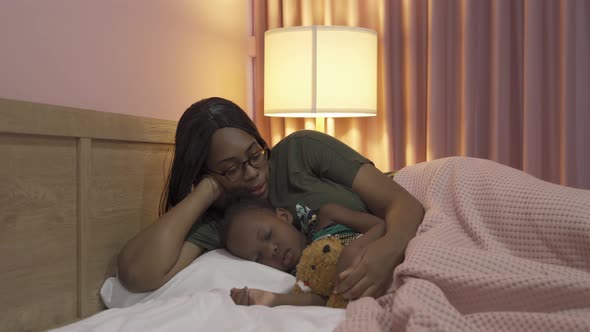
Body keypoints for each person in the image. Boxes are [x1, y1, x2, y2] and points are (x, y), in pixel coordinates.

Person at [116, 97, 425, 301]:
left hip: (404, 236)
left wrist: (388, 249)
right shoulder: (223, 222)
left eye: (255, 155)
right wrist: (207, 190)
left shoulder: (301, 150)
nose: (252, 173)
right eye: (231, 169)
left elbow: (404, 204)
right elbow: (136, 274)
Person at [220, 198, 386, 307]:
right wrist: (267, 299)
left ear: (283, 217)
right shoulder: (301, 277)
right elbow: (322, 299)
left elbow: (381, 226)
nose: (271, 250)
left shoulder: (327, 217)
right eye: (258, 258)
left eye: (268, 235)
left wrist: (356, 248)